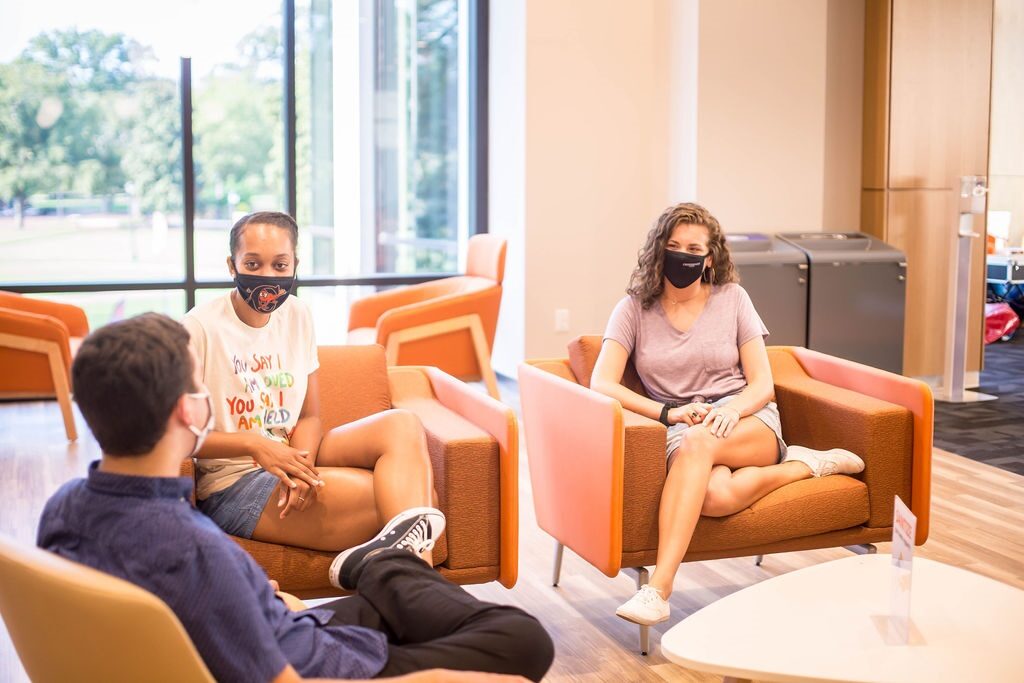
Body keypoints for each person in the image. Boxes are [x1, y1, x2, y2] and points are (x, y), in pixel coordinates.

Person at [38, 313, 554, 682]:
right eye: (200, 390)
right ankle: (387, 565)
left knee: (393, 605)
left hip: (279, 626)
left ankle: (385, 566)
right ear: (188, 413)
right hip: (319, 662)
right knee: (522, 638)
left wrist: (262, 599)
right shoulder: (199, 552)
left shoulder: (63, 509)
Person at [591, 203, 865, 627]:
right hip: (683, 425)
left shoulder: (733, 299)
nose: (683, 255)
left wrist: (733, 410)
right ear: (658, 250)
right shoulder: (633, 308)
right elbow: (602, 383)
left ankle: (658, 589)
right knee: (716, 498)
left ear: (710, 257)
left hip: (746, 419)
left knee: (703, 443)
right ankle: (804, 464)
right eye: (674, 246)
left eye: (693, 248)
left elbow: (762, 384)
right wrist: (669, 413)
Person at [181, 211, 436, 568]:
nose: (267, 276)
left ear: (295, 265)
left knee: (403, 423)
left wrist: (299, 468)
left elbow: (309, 415)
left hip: (294, 454)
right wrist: (253, 443)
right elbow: (176, 437)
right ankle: (421, 583)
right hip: (234, 480)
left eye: (280, 264)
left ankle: (412, 580)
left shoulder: (298, 315)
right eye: (253, 263)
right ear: (232, 265)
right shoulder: (198, 328)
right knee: (410, 498)